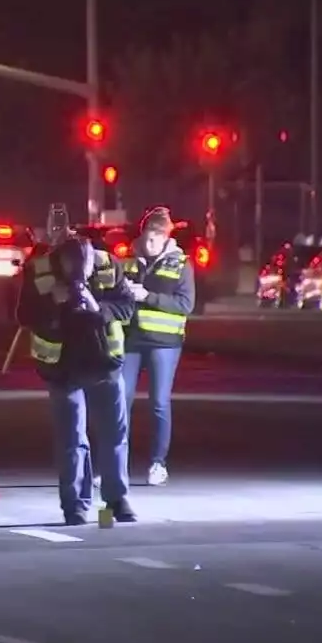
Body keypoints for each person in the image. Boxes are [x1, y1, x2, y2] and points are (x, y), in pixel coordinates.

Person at [16, 232, 138, 525]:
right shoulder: (39, 269)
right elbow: (23, 314)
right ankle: (75, 507)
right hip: (62, 367)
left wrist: (97, 308)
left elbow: (127, 306)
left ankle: (115, 501)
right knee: (72, 438)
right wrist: (54, 304)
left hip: (104, 363)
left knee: (113, 435)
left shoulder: (108, 265)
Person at [121, 207, 195, 487]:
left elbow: (185, 304)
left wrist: (147, 296)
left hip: (164, 343)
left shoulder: (181, 265)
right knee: (120, 400)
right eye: (146, 240)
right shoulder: (128, 260)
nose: (149, 246)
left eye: (155, 241)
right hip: (131, 340)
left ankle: (157, 463)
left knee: (159, 402)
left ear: (166, 239)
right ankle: (116, 463)